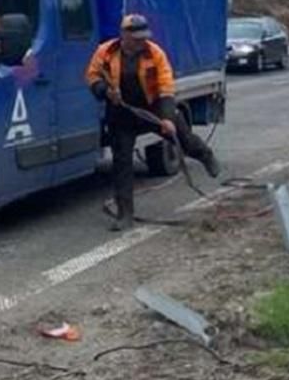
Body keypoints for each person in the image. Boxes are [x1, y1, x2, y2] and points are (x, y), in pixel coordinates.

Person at [86, 14, 220, 231]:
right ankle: (125, 215)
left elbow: (166, 86)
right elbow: (92, 77)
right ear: (124, 35)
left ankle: (205, 155)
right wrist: (105, 92)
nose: (141, 41)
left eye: (143, 37)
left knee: (182, 138)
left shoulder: (154, 53)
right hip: (121, 113)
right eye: (136, 37)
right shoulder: (106, 52)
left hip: (153, 107)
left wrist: (167, 118)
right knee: (121, 164)